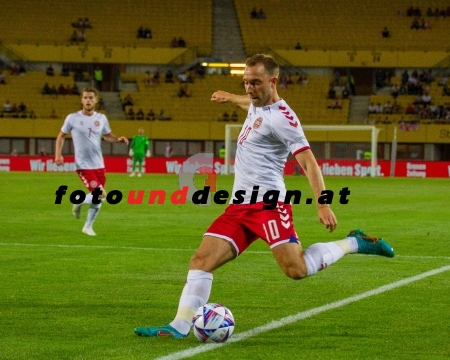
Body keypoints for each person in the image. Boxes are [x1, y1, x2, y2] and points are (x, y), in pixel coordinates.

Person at [134, 54, 394, 339]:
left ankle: (354, 242)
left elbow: (309, 163)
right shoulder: (256, 103)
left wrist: (323, 204)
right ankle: (179, 327)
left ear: (273, 81)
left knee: (296, 269)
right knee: (200, 261)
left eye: (255, 83)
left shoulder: (284, 119)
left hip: (268, 205)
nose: (249, 89)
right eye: (246, 82)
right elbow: (249, 103)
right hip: (238, 206)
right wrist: (231, 96)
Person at [55, 87, 129, 236]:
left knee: (97, 199)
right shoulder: (72, 118)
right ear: (81, 100)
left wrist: (118, 139)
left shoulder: (101, 118)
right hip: (83, 165)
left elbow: (107, 136)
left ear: (96, 100)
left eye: (91, 98)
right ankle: (79, 201)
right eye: (85, 98)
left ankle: (87, 227)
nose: (88, 100)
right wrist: (58, 155)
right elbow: (61, 135)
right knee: (101, 194)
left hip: (99, 164)